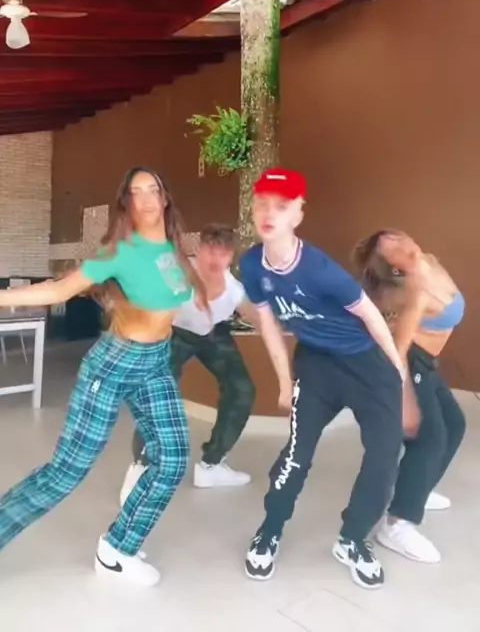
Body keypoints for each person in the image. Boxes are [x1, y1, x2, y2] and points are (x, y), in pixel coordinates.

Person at [0, 166, 207, 587]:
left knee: (171, 458)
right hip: (115, 362)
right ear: (126, 203)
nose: (146, 198)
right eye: (136, 192)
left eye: (153, 189)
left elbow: (181, 298)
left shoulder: (174, 250)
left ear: (165, 198)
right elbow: (59, 290)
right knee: (66, 471)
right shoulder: (119, 252)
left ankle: (117, 549)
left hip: (156, 362)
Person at [240, 168, 407, 590]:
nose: (269, 213)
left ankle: (352, 540)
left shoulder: (320, 270)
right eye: (262, 204)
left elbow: (371, 316)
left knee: (384, 457)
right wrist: (284, 382)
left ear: (298, 214)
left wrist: (397, 372)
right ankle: (269, 531)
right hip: (316, 364)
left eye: (281, 206)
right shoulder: (252, 265)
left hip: (365, 364)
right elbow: (268, 324)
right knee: (297, 455)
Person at [120, 223, 258, 503]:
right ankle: (141, 466)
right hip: (173, 333)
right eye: (210, 250)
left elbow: (259, 317)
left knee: (242, 389)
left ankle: (211, 466)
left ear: (230, 257)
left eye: (223, 253)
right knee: (156, 395)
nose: (215, 259)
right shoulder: (176, 271)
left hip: (213, 333)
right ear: (199, 250)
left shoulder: (235, 290)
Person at [353, 230, 466, 564]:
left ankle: (419, 487)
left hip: (427, 362)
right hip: (410, 360)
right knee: (430, 437)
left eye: (398, 237)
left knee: (455, 424)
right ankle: (397, 524)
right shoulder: (410, 292)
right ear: (394, 268)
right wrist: (402, 396)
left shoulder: (429, 262)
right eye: (393, 248)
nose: (404, 243)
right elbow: (399, 350)